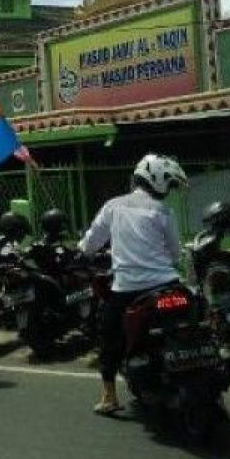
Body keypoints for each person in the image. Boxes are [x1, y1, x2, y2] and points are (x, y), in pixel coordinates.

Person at [79, 154, 187, 415]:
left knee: (109, 337)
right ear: (158, 182)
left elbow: (92, 241)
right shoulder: (163, 211)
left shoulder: (113, 206)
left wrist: (83, 251)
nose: (170, 191)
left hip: (129, 289)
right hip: (169, 284)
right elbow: (175, 253)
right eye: (170, 185)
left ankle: (109, 396)